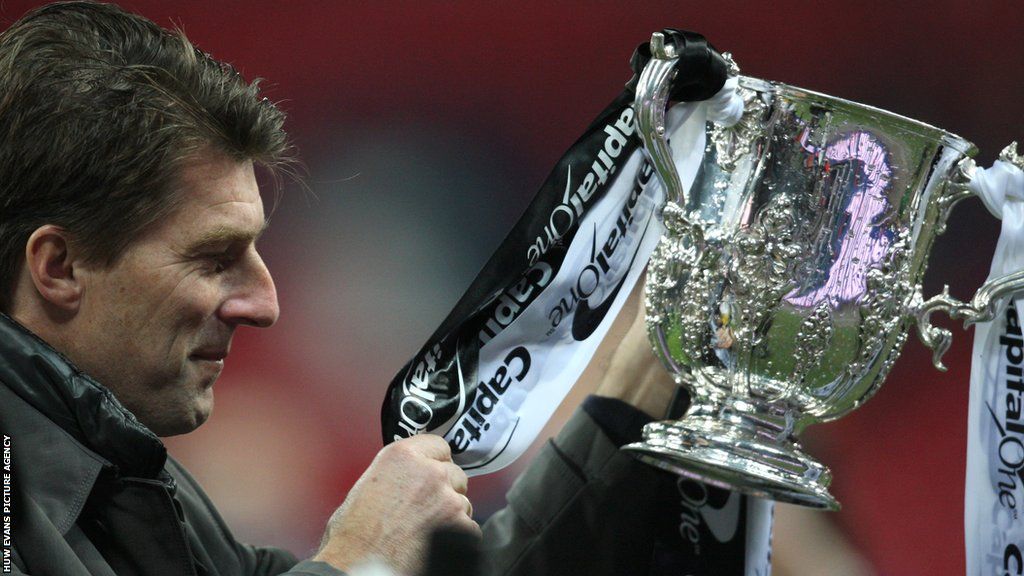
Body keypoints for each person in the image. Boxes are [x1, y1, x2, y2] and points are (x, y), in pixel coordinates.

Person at [0, 3, 689, 575]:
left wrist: (638, 385)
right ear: (58, 268)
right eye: (213, 258)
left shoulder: (125, 472)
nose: (266, 305)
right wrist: (357, 558)